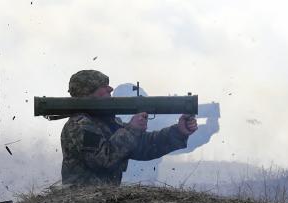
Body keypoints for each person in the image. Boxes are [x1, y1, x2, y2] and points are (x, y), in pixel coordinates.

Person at [60, 70, 198, 186]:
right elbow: (103, 160)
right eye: (103, 86)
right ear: (88, 93)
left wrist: (178, 131)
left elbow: (145, 145)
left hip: (102, 202)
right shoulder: (79, 125)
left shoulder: (105, 123)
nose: (110, 89)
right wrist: (132, 129)